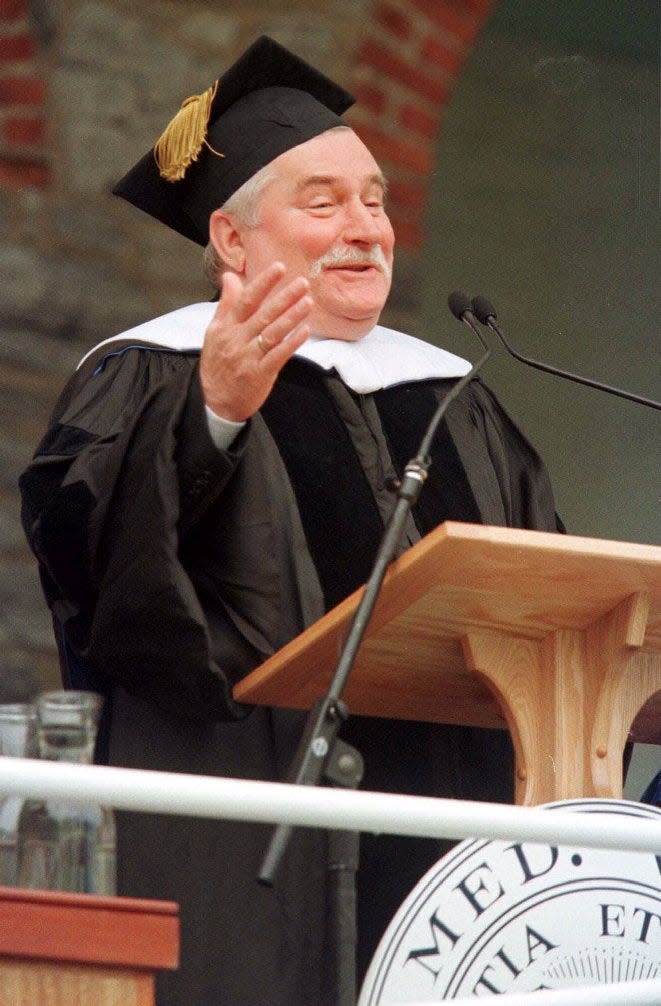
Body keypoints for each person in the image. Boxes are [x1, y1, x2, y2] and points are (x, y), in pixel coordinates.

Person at [20, 36, 562, 1006]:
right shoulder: (148, 376)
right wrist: (213, 416)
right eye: (323, 203)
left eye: (375, 200)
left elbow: (552, 603)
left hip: (466, 874)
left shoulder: (454, 396)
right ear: (232, 242)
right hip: (252, 864)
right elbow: (94, 568)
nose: (365, 228)